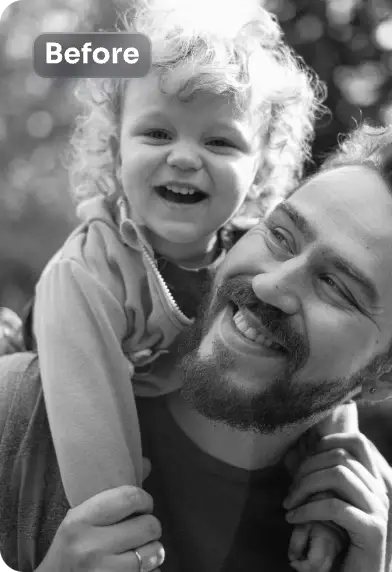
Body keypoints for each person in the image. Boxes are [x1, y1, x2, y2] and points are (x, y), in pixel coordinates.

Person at [12, 0, 359, 568]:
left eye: (220, 143)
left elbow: (322, 369)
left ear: (261, 164)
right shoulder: (89, 270)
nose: (184, 157)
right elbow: (88, 424)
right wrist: (124, 543)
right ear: (114, 145)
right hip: (53, 458)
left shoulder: (260, 259)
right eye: (155, 132)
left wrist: (328, 491)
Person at [0, 123, 392, 572]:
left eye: (337, 286)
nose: (268, 285)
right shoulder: (17, 416)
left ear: (391, 374)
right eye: (281, 236)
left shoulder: (372, 535)